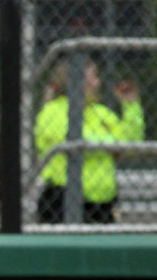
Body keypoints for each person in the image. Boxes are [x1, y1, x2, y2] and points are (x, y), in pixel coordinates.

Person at [34, 58, 145, 224]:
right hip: (63, 198)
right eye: (93, 77)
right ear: (77, 82)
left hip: (103, 202)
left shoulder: (101, 113)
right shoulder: (52, 110)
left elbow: (131, 145)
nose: (98, 83)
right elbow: (76, 139)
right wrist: (112, 144)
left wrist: (131, 106)